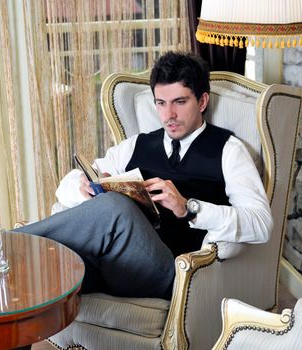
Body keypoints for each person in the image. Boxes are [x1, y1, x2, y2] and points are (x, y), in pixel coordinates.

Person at [14, 51, 272, 299]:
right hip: (117, 265)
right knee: (56, 269)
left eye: (179, 102)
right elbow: (66, 187)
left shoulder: (229, 150)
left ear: (202, 101)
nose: (168, 115)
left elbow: (261, 224)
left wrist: (189, 208)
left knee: (115, 207)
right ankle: (13, 264)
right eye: (161, 103)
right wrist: (82, 187)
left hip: (170, 273)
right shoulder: (136, 144)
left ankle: (14, 244)